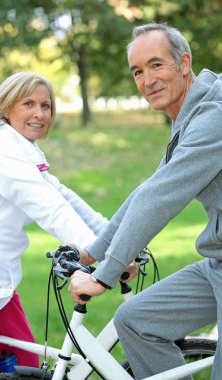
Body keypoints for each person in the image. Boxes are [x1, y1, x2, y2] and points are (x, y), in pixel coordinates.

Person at [69, 22, 222, 380]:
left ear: (184, 63)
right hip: (217, 264)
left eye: (156, 65)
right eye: (137, 71)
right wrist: (93, 253)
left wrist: (104, 277)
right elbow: (149, 189)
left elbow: (160, 198)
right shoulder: (192, 114)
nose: (147, 79)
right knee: (135, 320)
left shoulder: (214, 118)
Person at [0, 71, 110, 379]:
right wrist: (105, 254)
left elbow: (61, 195)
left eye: (45, 105)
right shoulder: (0, 152)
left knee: (28, 371)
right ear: (6, 108)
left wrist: (111, 234)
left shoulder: (21, 149)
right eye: (28, 103)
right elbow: (49, 209)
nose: (39, 113)